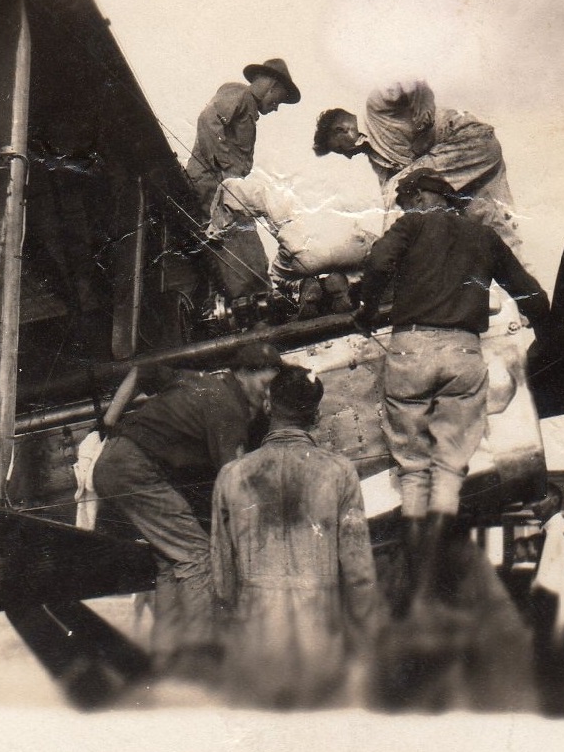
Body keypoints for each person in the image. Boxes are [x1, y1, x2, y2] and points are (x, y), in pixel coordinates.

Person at [353, 169, 550, 614]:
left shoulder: (411, 225)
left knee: (412, 466)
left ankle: (416, 571)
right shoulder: (482, 236)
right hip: (464, 350)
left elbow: (380, 261)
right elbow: (528, 290)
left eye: (406, 200)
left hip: (411, 348)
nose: (403, 209)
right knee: (450, 466)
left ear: (422, 196)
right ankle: (437, 567)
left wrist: (366, 308)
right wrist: (548, 327)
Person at [93, 342, 287, 680]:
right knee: (198, 557)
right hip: (136, 469)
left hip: (117, 460)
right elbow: (234, 487)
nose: (268, 398)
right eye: (265, 386)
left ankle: (167, 659)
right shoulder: (230, 410)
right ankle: (201, 664)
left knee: (172, 560)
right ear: (243, 375)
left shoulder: (201, 380)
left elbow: (144, 369)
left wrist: (109, 421)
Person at [210, 365, 378, 709]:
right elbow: (359, 573)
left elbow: (222, 578)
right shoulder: (339, 472)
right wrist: (365, 651)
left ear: (269, 406)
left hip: (257, 642)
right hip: (321, 639)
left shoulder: (231, 475)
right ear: (315, 415)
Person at [313, 81, 522, 255]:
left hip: (467, 138)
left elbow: (410, 78)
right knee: (491, 229)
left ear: (342, 130)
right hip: (470, 165)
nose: (349, 156)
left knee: (400, 189)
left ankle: (392, 271)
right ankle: (526, 295)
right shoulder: (377, 158)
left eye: (341, 149)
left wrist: (424, 105)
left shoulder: (375, 107)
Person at [186, 58, 301, 299]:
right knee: (232, 246)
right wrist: (227, 171)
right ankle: (250, 303)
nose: (276, 106)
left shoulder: (247, 109)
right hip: (213, 188)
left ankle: (259, 297)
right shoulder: (237, 94)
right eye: (278, 99)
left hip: (227, 192)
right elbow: (208, 120)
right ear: (271, 86)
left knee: (244, 243)